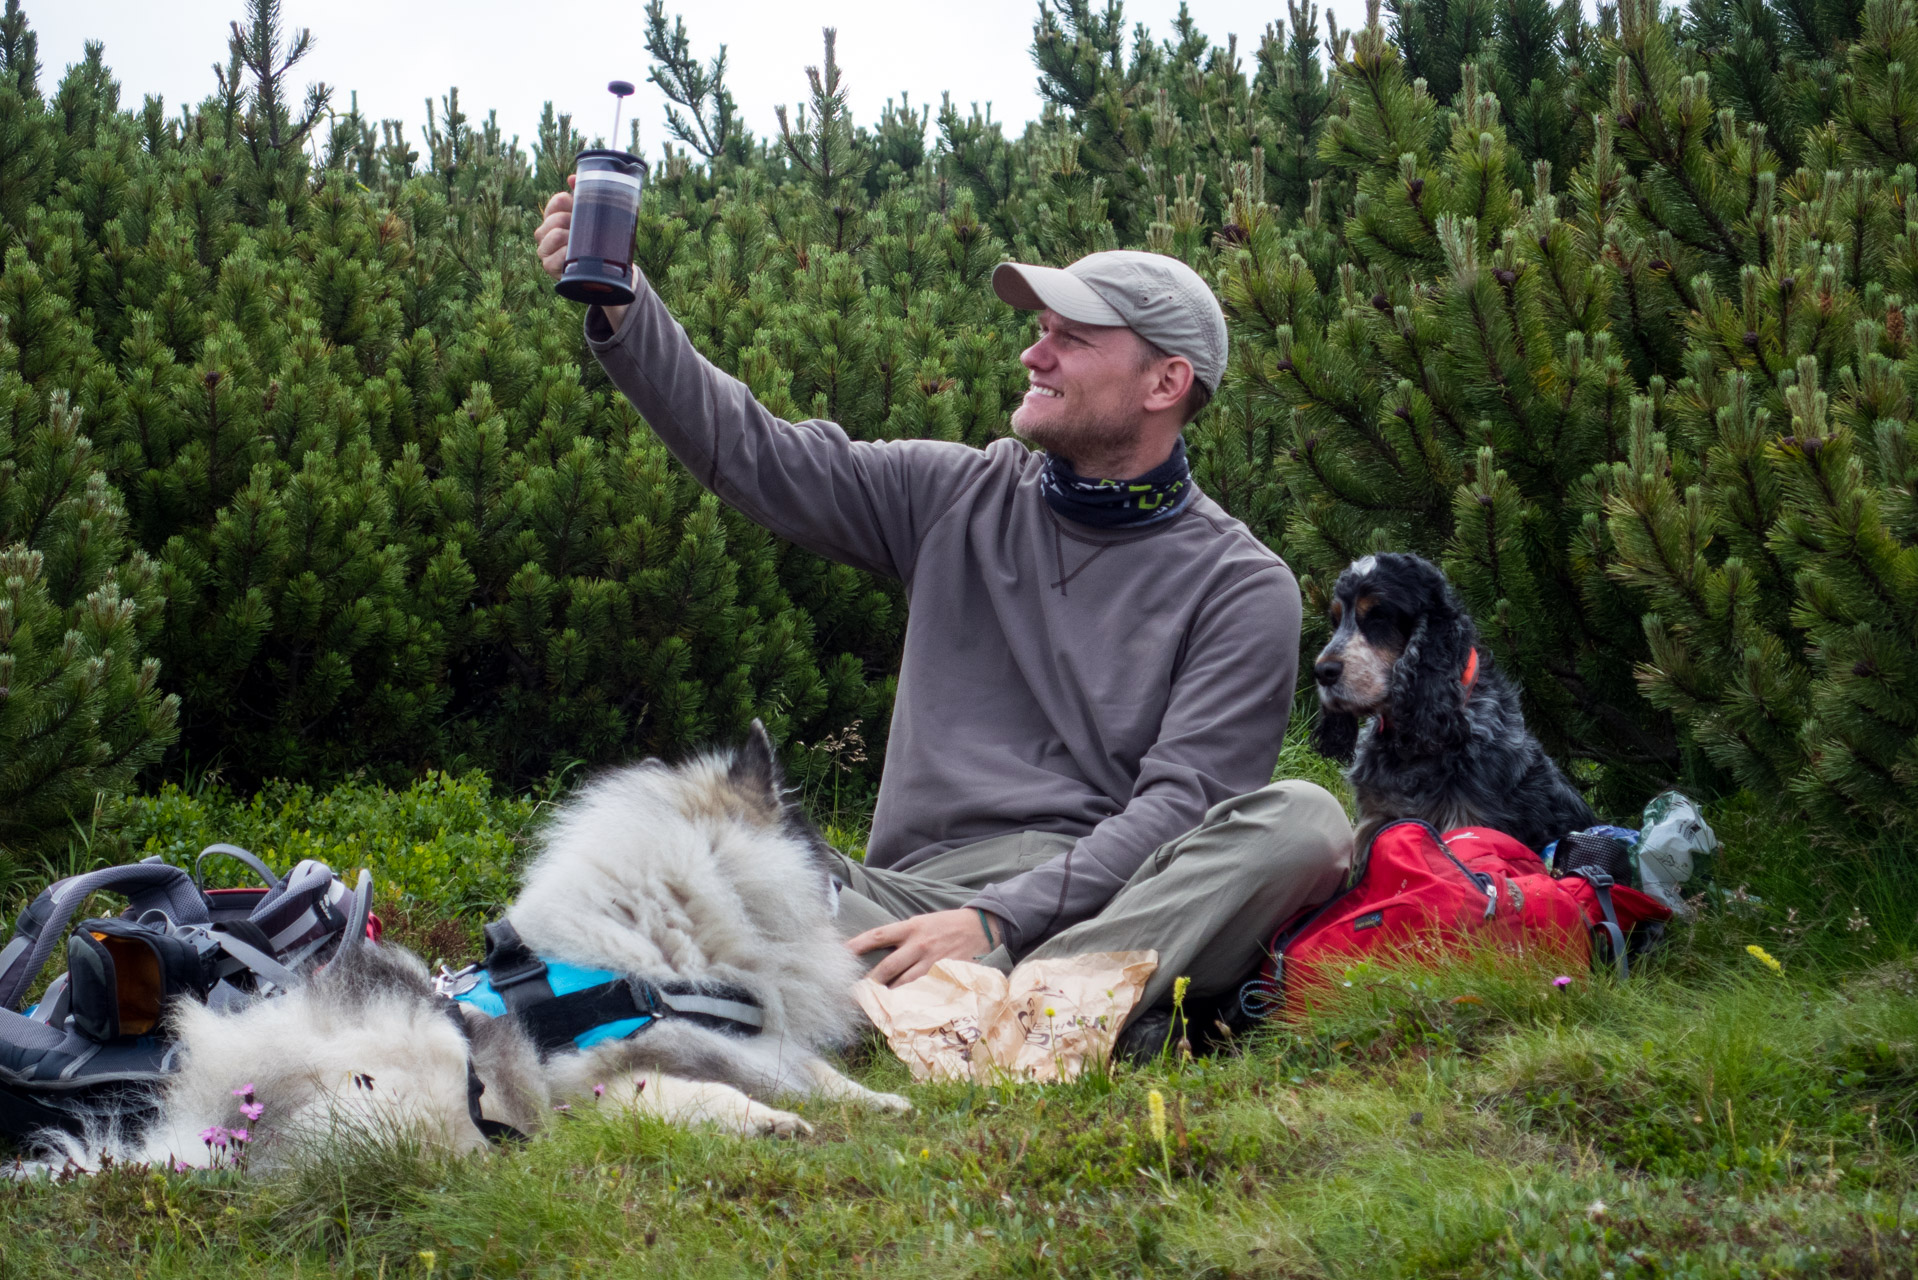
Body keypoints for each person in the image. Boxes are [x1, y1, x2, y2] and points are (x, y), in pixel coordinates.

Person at [533, 183, 1352, 1050]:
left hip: (1120, 894)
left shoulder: (1242, 583)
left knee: (1304, 822)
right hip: (902, 902)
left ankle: (985, 1006)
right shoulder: (954, 493)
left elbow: (1181, 809)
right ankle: (1056, 1013)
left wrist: (997, 922)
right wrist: (628, 310)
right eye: (1039, 332)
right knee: (684, 836)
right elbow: (756, 456)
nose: (1037, 356)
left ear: (1166, 381)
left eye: (1071, 338)